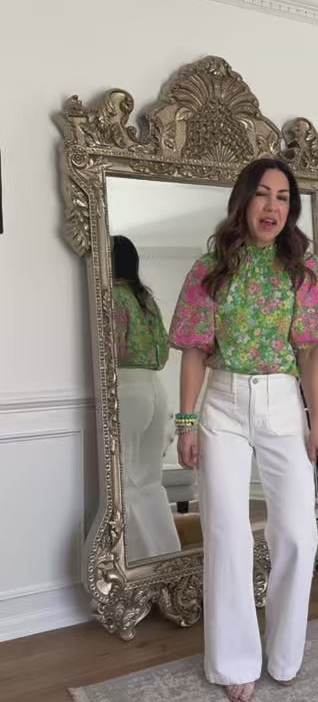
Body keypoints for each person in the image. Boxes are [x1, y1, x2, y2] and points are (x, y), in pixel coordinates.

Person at [169, 158, 318, 702]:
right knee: (227, 532)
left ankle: (285, 653)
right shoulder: (208, 269)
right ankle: (234, 661)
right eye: (263, 195)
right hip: (220, 401)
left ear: (291, 209)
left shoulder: (305, 272)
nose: (273, 207)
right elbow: (195, 352)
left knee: (296, 532)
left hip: (281, 403)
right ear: (243, 200)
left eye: (284, 197)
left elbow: (314, 354)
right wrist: (187, 422)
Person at [112, 235, 181, 561]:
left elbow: (116, 349)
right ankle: (166, 553)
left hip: (127, 386)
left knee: (123, 479)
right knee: (151, 480)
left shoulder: (114, 297)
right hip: (156, 386)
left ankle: (134, 560)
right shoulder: (146, 299)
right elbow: (164, 352)